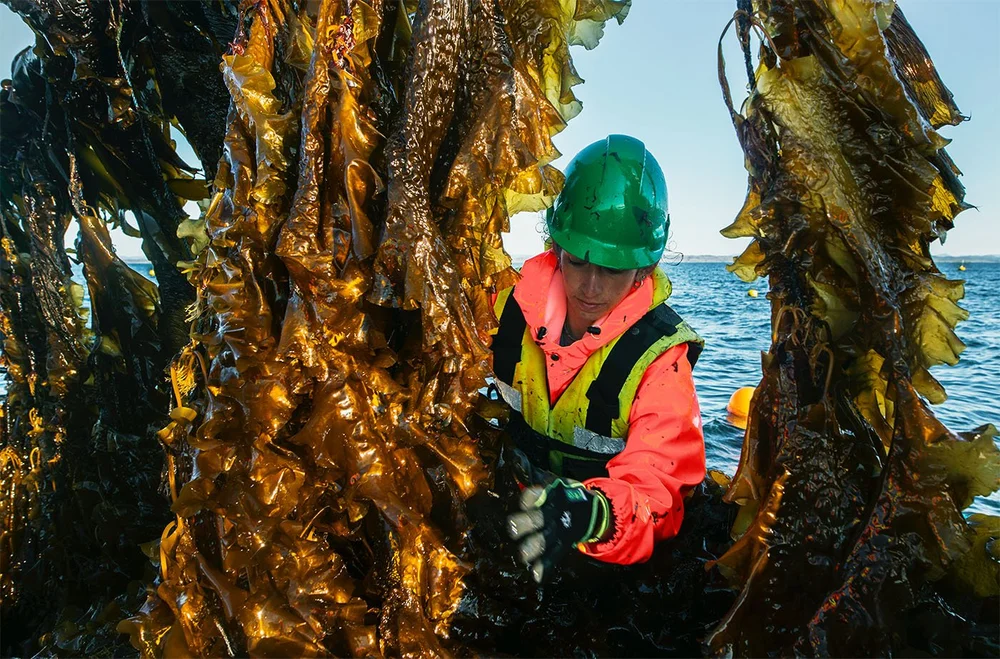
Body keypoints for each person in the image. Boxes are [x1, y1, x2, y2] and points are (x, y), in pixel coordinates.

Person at [490, 134, 705, 583]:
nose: (591, 287)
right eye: (579, 262)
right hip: (511, 513)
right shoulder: (502, 308)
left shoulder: (661, 363)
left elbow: (659, 493)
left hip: (599, 552)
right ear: (556, 248)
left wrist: (592, 516)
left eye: (612, 270)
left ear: (644, 270)